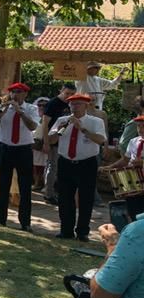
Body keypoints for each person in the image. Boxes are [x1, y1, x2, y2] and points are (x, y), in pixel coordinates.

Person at [48, 93, 104, 242]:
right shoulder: (62, 120)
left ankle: (83, 232)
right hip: (66, 162)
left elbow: (101, 140)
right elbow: (51, 140)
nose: (75, 107)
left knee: (86, 198)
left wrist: (83, 129)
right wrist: (59, 129)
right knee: (65, 197)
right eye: (72, 104)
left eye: (78, 104)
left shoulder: (95, 121)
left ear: (86, 105)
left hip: (87, 163)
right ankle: (66, 230)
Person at [0, 82, 39, 231]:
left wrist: (20, 112)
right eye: (13, 92)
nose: (15, 95)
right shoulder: (2, 107)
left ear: (25, 94)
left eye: (18, 92)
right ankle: (0, 219)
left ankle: (25, 222)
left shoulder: (31, 108)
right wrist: (1, 113)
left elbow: (32, 127)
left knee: (25, 187)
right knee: (3, 186)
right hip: (6, 149)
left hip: (24, 150)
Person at [39, 83, 75, 202]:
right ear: (61, 90)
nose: (68, 96)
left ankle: (55, 191)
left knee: (58, 167)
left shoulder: (71, 104)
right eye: (66, 93)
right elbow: (45, 123)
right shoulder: (53, 103)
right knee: (52, 166)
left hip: (66, 140)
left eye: (71, 94)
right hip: (53, 138)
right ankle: (49, 194)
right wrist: (46, 142)